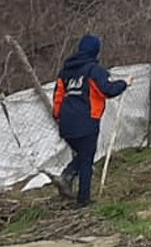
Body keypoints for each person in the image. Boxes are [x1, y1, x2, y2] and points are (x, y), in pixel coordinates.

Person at [51, 34, 130, 207]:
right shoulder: (94, 70)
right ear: (95, 51)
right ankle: (83, 199)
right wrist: (124, 84)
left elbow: (58, 97)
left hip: (66, 123)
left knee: (82, 155)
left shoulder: (65, 72)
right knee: (86, 159)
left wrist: (58, 117)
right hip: (86, 120)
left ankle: (68, 176)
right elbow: (107, 90)